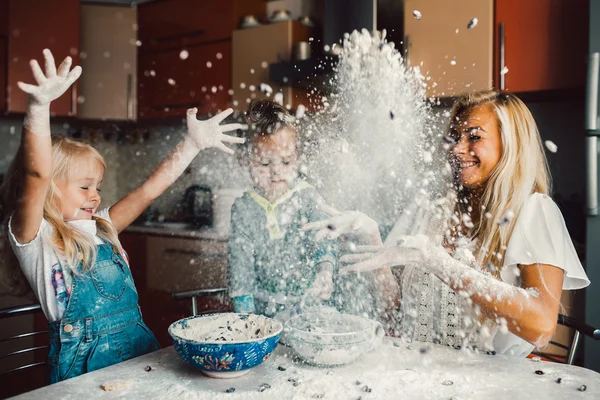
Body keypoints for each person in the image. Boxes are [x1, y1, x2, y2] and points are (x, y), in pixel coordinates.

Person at [0, 49, 244, 382]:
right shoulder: (35, 239)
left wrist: (191, 145)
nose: (96, 195)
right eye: (85, 187)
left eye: (97, 186)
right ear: (50, 191)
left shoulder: (103, 226)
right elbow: (37, 176)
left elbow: (146, 192)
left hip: (139, 355)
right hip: (81, 372)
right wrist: (39, 108)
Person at [306, 90, 590, 356]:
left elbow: (540, 327)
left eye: (474, 137)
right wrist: (372, 237)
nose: (457, 149)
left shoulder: (534, 212)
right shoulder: (431, 209)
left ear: (510, 144)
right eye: (455, 137)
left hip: (494, 385)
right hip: (419, 371)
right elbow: (395, 313)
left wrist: (439, 262)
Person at [227, 99, 336, 319]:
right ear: (245, 160)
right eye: (265, 164)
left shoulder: (308, 197)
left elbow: (323, 243)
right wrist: (247, 322)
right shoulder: (243, 209)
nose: (276, 172)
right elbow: (240, 272)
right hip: (263, 314)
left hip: (309, 309)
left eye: (286, 162)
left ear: (296, 157)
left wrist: (325, 272)